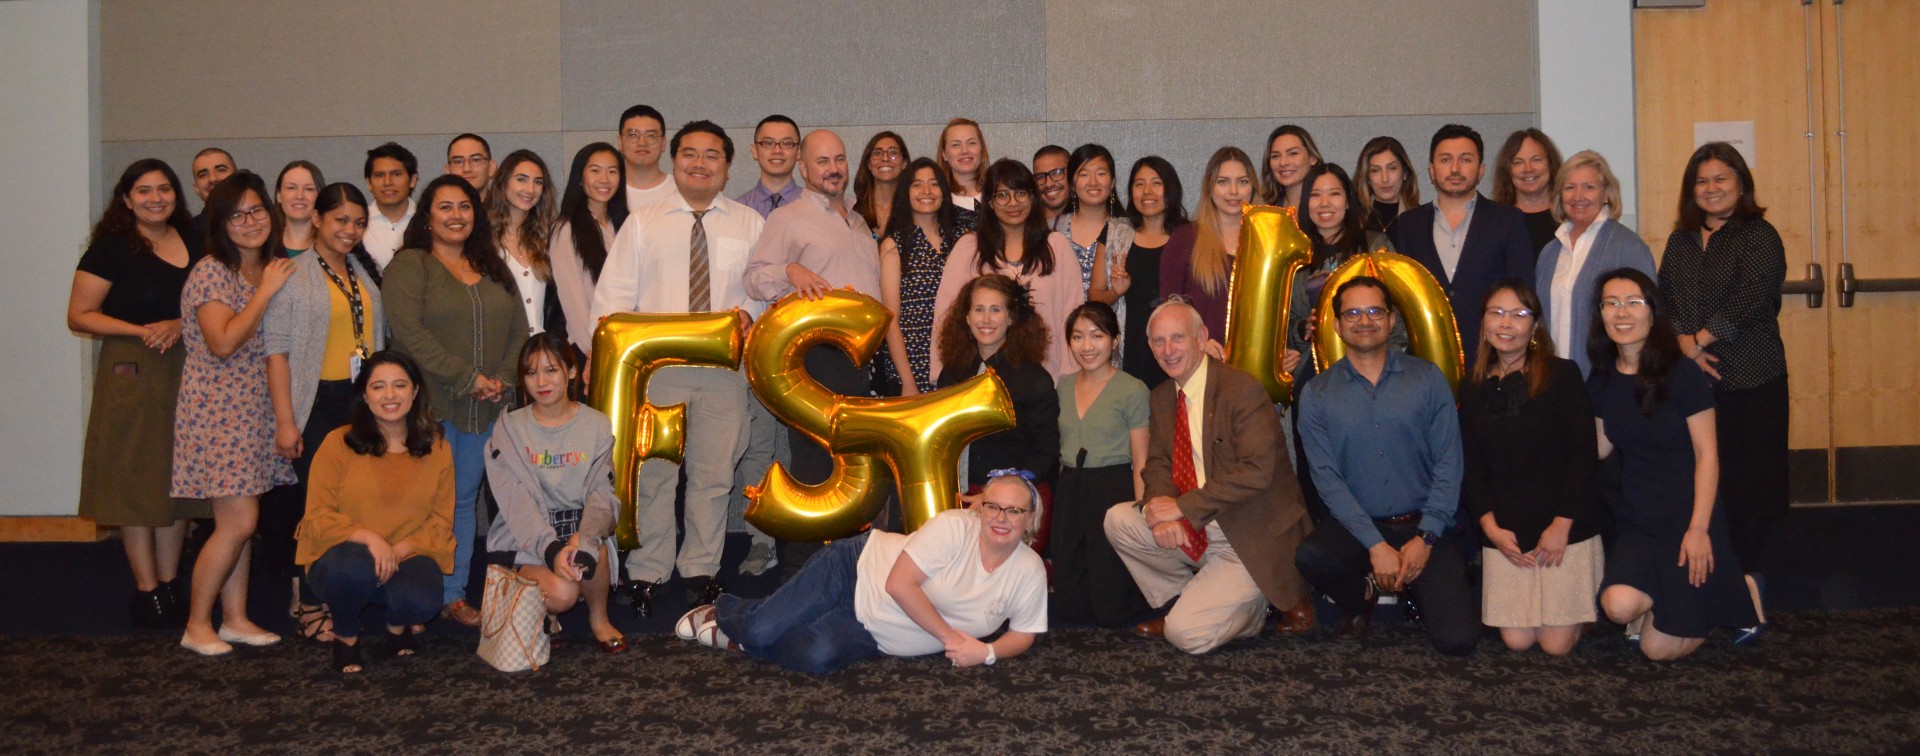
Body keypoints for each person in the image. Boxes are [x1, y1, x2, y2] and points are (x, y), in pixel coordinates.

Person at [595, 120, 766, 613]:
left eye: (711, 155)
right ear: (674, 160)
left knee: (715, 475)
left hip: (723, 372)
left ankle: (702, 569)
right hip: (658, 370)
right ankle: (648, 571)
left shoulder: (748, 224)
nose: (699, 163)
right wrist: (600, 361)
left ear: (727, 166)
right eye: (689, 153)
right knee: (655, 474)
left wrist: (749, 317)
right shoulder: (644, 221)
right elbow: (613, 297)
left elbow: (765, 293)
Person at [677, 471, 1048, 675]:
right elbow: (899, 584)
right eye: (993, 506)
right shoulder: (953, 527)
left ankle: (741, 638)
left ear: (1030, 518)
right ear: (979, 508)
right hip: (854, 570)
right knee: (762, 627)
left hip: (874, 632)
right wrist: (954, 640)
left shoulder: (1028, 570)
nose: (1001, 518)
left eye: (1014, 511)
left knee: (814, 659)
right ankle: (725, 611)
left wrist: (986, 653)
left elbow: (1025, 632)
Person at [1104, 301, 1316, 653]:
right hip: (1197, 527)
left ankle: (1256, 607)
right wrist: (1159, 508)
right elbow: (1156, 463)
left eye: (1177, 338)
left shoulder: (1241, 389)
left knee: (1189, 637)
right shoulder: (1160, 397)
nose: (1167, 350)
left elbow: (1256, 472)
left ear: (1202, 338)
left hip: (1248, 534)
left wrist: (1181, 508)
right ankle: (1186, 603)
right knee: (1119, 520)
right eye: (1158, 341)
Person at [1296, 277, 1477, 656]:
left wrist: (1426, 538)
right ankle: (1361, 596)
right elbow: (1327, 481)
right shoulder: (1317, 394)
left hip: (1425, 523)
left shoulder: (1427, 380)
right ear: (1337, 325)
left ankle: (1415, 587)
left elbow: (1449, 462)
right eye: (1353, 313)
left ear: (1392, 320)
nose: (1365, 320)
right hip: (1360, 526)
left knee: (1457, 640)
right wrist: (1375, 545)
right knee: (1311, 556)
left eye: (1375, 311)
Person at [1590, 269, 1761, 660]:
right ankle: (1697, 593)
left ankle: (1736, 587)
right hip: (1639, 521)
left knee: (1656, 650)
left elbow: (1708, 455)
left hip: (1689, 519)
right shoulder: (1601, 380)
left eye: (1633, 302)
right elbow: (1597, 449)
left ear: (1653, 312)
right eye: (1610, 303)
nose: (1622, 313)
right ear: (1600, 314)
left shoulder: (1682, 373)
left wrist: (1699, 528)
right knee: (1617, 607)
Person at [382, 174, 529, 625]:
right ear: (427, 216)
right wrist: (468, 377)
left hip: (487, 409)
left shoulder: (490, 265)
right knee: (427, 504)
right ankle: (407, 597)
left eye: (464, 206)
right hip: (432, 410)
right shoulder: (411, 265)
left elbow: (519, 329)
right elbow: (409, 334)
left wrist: (502, 378)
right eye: (445, 207)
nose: (456, 215)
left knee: (464, 501)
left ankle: (453, 595)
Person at [68, 159, 208, 629]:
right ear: (126, 199)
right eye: (144, 191)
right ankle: (146, 589)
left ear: (176, 195)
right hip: (131, 367)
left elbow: (212, 303)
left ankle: (170, 583)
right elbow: (80, 315)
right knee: (134, 474)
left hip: (186, 366)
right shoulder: (111, 249)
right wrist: (141, 330)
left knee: (176, 476)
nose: (155, 198)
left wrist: (178, 325)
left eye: (164, 189)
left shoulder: (194, 240)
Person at [1657, 141, 1786, 627]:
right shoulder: (1680, 241)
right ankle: (1706, 584)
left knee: (1750, 488)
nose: (1711, 189)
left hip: (1752, 381)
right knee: (1699, 487)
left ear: (1741, 184)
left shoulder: (1760, 236)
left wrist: (1696, 342)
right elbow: (1661, 299)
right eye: (1702, 181)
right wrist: (1681, 344)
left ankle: (1749, 582)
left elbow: (1752, 299)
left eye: (1721, 179)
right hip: (1692, 386)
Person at [742, 128, 882, 575]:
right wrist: (789, 269)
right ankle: (801, 570)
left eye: (839, 159)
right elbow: (754, 277)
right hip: (815, 359)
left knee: (855, 468)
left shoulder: (859, 220)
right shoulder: (788, 218)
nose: (833, 168)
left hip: (860, 362)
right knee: (814, 466)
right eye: (822, 161)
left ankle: (849, 568)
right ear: (803, 168)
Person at [171, 171, 300, 655]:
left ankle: (235, 618)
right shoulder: (211, 271)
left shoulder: (267, 267)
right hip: (218, 410)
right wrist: (264, 292)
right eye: (236, 215)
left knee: (242, 522)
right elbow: (222, 342)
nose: (249, 222)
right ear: (220, 223)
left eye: (257, 211)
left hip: (256, 410)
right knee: (238, 522)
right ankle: (196, 624)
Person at [262, 183, 388, 645]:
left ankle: (337, 589)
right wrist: (285, 419)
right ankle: (305, 601)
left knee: (349, 502)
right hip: (313, 402)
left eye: (358, 222)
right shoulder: (291, 274)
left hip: (359, 403)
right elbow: (275, 352)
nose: (350, 230)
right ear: (316, 219)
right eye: (340, 220)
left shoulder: (359, 269)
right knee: (312, 508)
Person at [1458, 280, 1601, 656]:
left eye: (1519, 314)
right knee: (1517, 641)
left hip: (1561, 526)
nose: (1506, 324)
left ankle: (1585, 610)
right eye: (1496, 313)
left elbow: (1584, 456)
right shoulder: (1471, 387)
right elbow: (1471, 467)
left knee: (1555, 646)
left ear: (1534, 326)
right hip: (1507, 533)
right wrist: (1490, 529)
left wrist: (1562, 524)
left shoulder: (1562, 375)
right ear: (1484, 324)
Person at [296, 350, 455, 674]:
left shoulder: (437, 445)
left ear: (415, 392)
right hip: (344, 554)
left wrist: (396, 551)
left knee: (424, 600)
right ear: (364, 395)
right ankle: (346, 635)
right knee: (351, 569)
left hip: (407, 552)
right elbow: (318, 515)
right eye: (378, 387)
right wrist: (370, 539)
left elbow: (440, 521)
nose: (390, 395)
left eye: (399, 385)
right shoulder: (337, 442)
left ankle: (397, 626)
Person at [484, 333, 625, 653]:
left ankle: (599, 619)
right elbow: (515, 503)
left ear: (571, 372)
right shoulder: (508, 429)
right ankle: (542, 610)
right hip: (528, 532)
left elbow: (603, 494)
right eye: (531, 373)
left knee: (594, 551)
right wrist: (550, 549)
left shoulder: (597, 425)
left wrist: (585, 539)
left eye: (551, 370)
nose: (541, 381)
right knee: (562, 594)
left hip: (579, 524)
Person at [1391, 124, 1536, 366]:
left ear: (1480, 170)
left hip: (1492, 359)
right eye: (1445, 160)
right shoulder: (1409, 225)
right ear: (1431, 170)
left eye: (1466, 160)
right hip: (1425, 358)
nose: (1455, 169)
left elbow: (1523, 291)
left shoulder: (1508, 220)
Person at [931, 159, 1087, 379]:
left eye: (1021, 193)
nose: (1013, 202)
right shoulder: (969, 248)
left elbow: (1072, 316)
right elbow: (945, 315)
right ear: (990, 202)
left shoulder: (1056, 246)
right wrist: (941, 375)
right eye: (1002, 195)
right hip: (977, 381)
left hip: (1047, 379)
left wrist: (1070, 379)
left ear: (1033, 198)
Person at [1052, 303, 1150, 627]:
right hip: (1070, 489)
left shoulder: (1132, 389)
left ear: (1116, 340)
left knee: (1111, 609)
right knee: (1069, 608)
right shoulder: (1063, 386)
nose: (1087, 345)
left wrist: (1140, 511)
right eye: (1077, 337)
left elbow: (1141, 459)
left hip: (1112, 489)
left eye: (1097, 335)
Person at [934, 275, 1060, 499]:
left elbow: (1046, 451)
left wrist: (1000, 494)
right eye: (979, 309)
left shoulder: (1034, 379)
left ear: (1011, 317)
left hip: (1016, 498)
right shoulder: (951, 374)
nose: (986, 319)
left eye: (995, 310)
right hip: (956, 492)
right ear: (967, 317)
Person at [1535, 150, 1655, 376]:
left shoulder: (1629, 248)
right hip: (1554, 381)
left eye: (1589, 187)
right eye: (1569, 187)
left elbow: (1648, 319)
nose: (1578, 196)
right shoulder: (1549, 254)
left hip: (1609, 379)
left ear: (1607, 193)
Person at [880, 157, 970, 396]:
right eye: (917, 185)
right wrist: (907, 381)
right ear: (905, 192)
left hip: (957, 361)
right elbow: (890, 319)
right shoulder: (894, 245)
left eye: (934, 184)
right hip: (912, 364)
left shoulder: (963, 239)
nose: (926, 191)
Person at [1160, 146, 1258, 340]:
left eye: (1242, 182)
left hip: (1255, 365)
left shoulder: (1268, 242)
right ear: (1209, 188)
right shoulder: (1184, 239)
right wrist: (1199, 343)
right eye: (1223, 182)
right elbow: (1168, 311)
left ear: (1253, 187)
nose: (1233, 191)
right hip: (1201, 363)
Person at [548, 142, 629, 356]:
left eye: (612, 172)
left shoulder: (627, 225)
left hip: (627, 343)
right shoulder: (566, 229)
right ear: (580, 178)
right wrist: (594, 351)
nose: (604, 180)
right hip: (591, 350)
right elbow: (573, 300)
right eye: (595, 171)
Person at [1118, 156, 1186, 388]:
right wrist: (1115, 292)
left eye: (1156, 183)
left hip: (1175, 351)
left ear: (1171, 189)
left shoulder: (1188, 237)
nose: (1147, 191)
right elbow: (1097, 296)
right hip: (1131, 350)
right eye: (1139, 184)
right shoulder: (1119, 237)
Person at [485, 149, 560, 336]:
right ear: (503, 183)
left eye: (538, 182)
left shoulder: (547, 240)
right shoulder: (482, 239)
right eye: (521, 179)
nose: (530, 189)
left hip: (541, 353)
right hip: (499, 354)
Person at [1062, 143, 1133, 304]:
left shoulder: (1127, 231)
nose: (1093, 182)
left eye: (1101, 173)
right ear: (1072, 184)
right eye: (1084, 174)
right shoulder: (1052, 228)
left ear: (1113, 182)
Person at [1492, 128, 1565, 256]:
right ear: (1508, 170)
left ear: (1550, 164)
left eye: (1536, 159)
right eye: (1518, 162)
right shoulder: (1495, 222)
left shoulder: (1569, 218)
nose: (1528, 168)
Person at [361, 142, 418, 269]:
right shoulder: (358, 224)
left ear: (413, 180)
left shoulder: (428, 220)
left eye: (396, 174)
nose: (387, 182)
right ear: (369, 183)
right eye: (379, 175)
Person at [738, 115, 803, 218]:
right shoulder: (737, 210)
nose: (777, 151)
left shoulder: (816, 209)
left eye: (787, 143)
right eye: (768, 143)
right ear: (754, 151)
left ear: (799, 152)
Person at [1354, 136, 1420, 234]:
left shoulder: (1421, 219)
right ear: (1367, 178)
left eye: (1392, 168)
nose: (1385, 179)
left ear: (1405, 173)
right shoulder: (1354, 218)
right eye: (1375, 170)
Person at [618, 104, 676, 213]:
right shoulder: (607, 190)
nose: (642, 143)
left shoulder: (680, 191)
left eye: (651, 136)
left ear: (663, 143)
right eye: (633, 135)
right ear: (620, 142)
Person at [853, 131, 910, 236]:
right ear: (869, 164)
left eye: (893, 153)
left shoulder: (915, 209)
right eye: (877, 153)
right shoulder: (853, 211)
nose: (885, 158)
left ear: (904, 163)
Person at [1258, 124, 1323, 212]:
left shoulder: (1326, 207)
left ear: (1312, 158)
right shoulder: (1263, 211)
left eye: (1293, 154)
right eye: (1276, 156)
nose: (1283, 162)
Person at [274, 161, 325, 257]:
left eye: (309, 189)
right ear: (279, 195)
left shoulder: (331, 247)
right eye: (291, 188)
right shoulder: (263, 248)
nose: (300, 196)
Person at [937, 118, 988, 211]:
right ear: (944, 154)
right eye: (956, 145)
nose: (965, 151)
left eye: (971, 143)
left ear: (982, 150)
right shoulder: (937, 201)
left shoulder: (997, 196)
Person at [188, 148, 236, 240]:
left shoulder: (262, 223)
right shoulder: (187, 234)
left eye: (221, 170)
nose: (212, 178)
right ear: (196, 189)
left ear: (238, 178)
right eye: (203, 175)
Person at [1032, 144, 1071, 225]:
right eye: (1040, 176)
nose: (1049, 184)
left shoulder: (1089, 220)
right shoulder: (1027, 226)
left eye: (1056, 173)